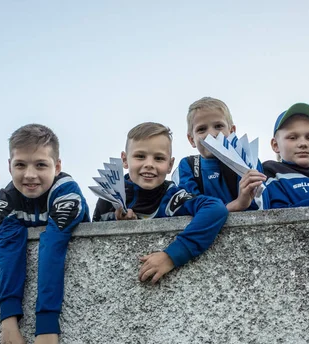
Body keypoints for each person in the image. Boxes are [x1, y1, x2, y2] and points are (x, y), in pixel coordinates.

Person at [0, 124, 90, 344]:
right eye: (21, 165)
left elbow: (52, 245)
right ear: (9, 165)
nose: (30, 175)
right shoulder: (6, 197)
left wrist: (47, 327)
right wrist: (8, 324)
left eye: (40, 165)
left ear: (57, 166)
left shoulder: (66, 189)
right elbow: (9, 251)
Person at [93, 121, 228, 283]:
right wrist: (120, 226)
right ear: (124, 160)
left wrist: (171, 256)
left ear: (170, 165)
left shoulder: (172, 196)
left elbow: (215, 209)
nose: (149, 164)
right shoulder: (109, 197)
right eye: (140, 156)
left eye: (159, 158)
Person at [173, 97, 267, 211]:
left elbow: (262, 209)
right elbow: (192, 208)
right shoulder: (188, 166)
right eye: (202, 129)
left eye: (218, 126)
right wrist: (237, 204)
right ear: (191, 139)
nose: (212, 134)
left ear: (232, 131)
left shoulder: (248, 159)